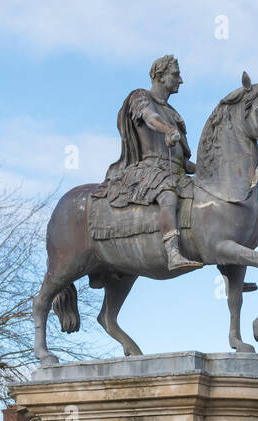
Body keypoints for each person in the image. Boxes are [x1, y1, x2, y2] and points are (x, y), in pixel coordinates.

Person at [94, 54, 200, 271]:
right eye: (176, 75)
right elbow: (150, 118)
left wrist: (208, 171)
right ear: (160, 76)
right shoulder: (141, 96)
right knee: (167, 193)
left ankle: (227, 264)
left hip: (175, 171)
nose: (180, 81)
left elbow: (183, 161)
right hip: (149, 170)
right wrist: (168, 130)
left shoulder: (173, 113)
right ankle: (172, 253)